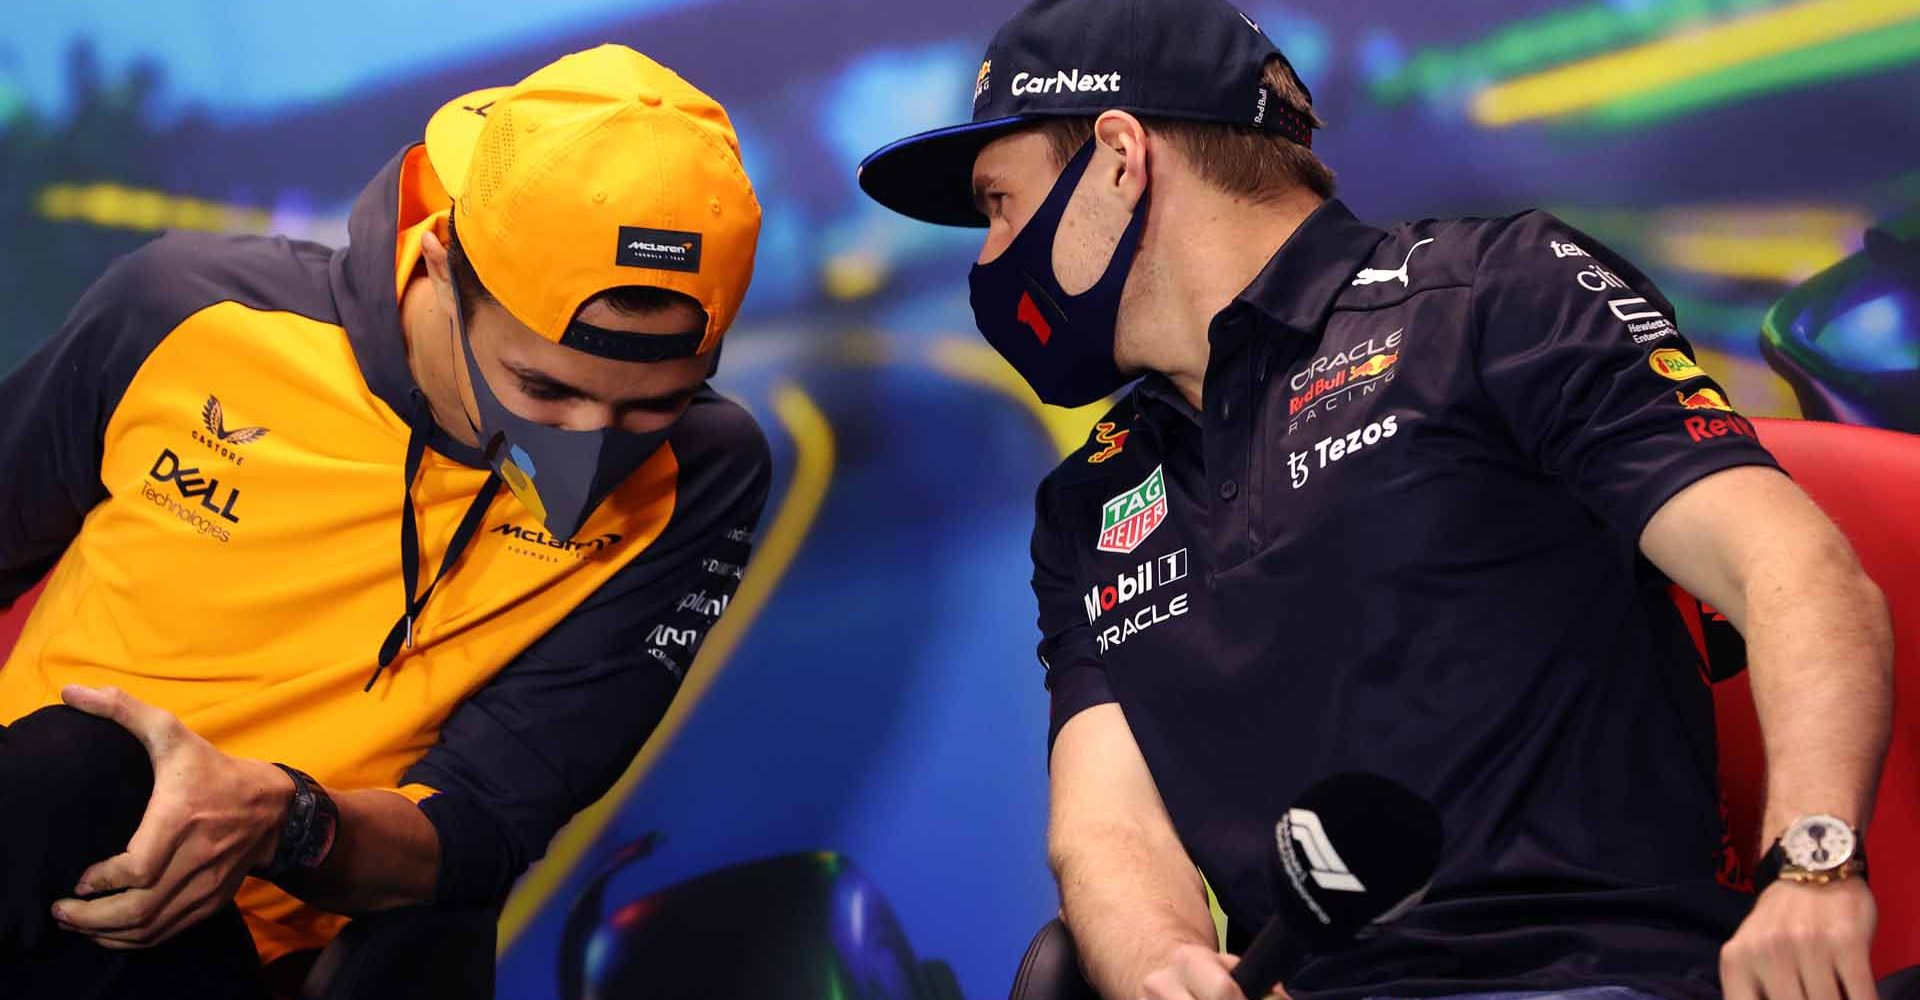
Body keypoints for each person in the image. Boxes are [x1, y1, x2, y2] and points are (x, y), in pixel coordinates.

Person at [857, 3, 1893, 1000]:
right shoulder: (1088, 498)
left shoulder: (1497, 293)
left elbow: (1795, 567)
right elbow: (1105, 828)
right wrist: (1166, 965)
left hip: (1590, 975)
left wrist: (1811, 867)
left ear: (1121, 160)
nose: (989, 260)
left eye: (1000, 205)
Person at [0, 44, 769, 997]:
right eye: (542, 388)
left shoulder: (702, 474)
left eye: (655, 405)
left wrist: (281, 819)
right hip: (44, 872)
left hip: (295, 959)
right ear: (444, 266)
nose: (591, 441)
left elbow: (484, 824)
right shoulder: (184, 315)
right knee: (79, 768)